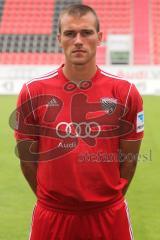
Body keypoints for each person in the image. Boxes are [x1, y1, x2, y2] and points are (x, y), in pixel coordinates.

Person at [15, 4, 144, 240]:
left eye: (86, 32)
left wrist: (105, 200)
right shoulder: (33, 93)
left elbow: (129, 161)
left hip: (108, 215)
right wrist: (53, 201)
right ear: (59, 39)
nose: (78, 40)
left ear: (100, 38)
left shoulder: (125, 93)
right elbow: (27, 162)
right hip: (52, 216)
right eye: (70, 33)